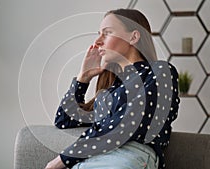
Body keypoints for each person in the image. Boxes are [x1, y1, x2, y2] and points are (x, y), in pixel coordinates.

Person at [45, 8, 180, 169]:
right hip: (92, 159)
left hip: (127, 157)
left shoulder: (159, 72)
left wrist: (62, 159)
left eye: (107, 33)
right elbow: (63, 121)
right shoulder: (111, 89)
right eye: (99, 33)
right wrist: (83, 78)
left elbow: (127, 124)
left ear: (134, 37)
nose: (97, 41)